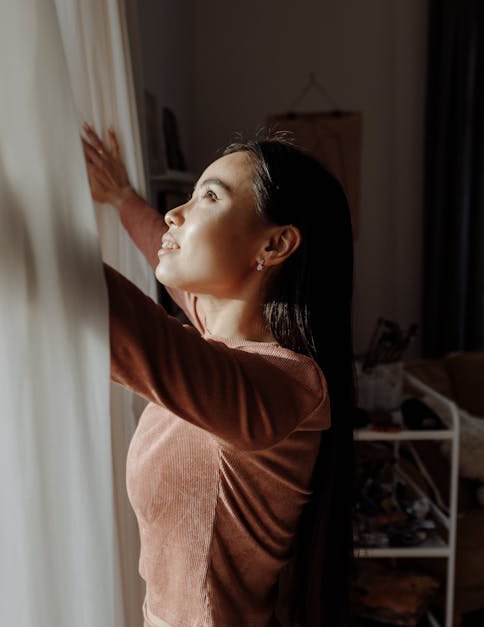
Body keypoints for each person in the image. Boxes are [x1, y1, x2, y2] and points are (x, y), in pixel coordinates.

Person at [81, 125, 354, 627]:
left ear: (274, 245)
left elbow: (127, 327)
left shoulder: (285, 385)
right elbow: (167, 265)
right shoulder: (221, 341)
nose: (175, 213)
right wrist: (121, 197)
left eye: (209, 197)